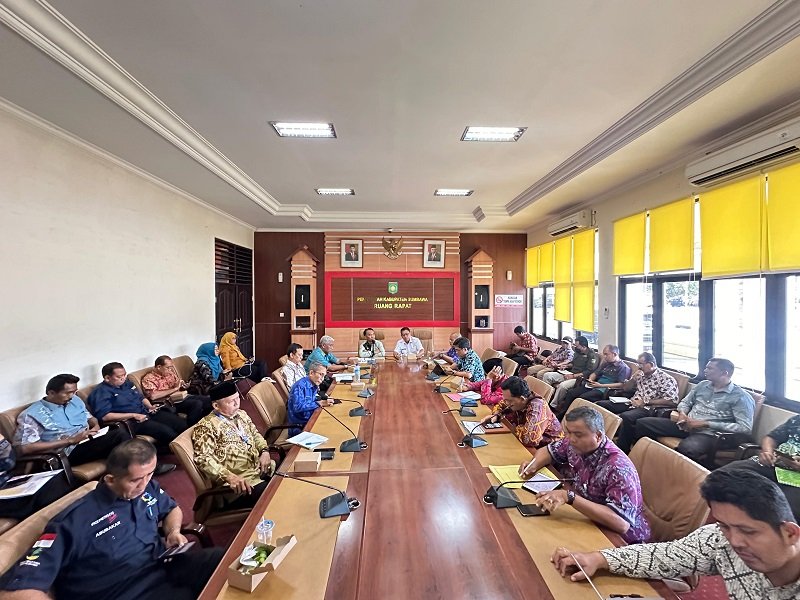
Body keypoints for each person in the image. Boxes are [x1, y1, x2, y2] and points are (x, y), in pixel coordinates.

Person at [0, 439, 225, 600]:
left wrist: (173, 531)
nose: (144, 484)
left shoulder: (146, 487)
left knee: (224, 561)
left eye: (149, 474)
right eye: (135, 480)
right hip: (126, 590)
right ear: (110, 479)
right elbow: (17, 590)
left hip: (163, 564)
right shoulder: (71, 523)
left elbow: (172, 509)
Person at [551, 469, 800, 600]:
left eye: (748, 531)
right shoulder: (721, 539)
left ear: (790, 533)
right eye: (725, 525)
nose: (734, 541)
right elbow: (666, 555)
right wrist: (600, 558)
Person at [519, 406, 650, 544]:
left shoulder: (619, 468)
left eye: (578, 435)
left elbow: (621, 524)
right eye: (568, 432)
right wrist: (533, 464)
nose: (571, 439)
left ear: (598, 436)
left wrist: (569, 497)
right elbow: (548, 451)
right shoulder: (573, 442)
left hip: (619, 539)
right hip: (586, 517)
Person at [632, 358, 754, 465]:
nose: (705, 370)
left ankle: (679, 477)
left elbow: (744, 428)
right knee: (643, 423)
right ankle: (644, 461)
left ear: (724, 373)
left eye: (710, 368)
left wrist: (706, 423)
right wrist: (683, 414)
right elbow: (685, 403)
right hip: (685, 425)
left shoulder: (740, 397)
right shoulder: (703, 385)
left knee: (688, 449)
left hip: (709, 434)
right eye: (706, 367)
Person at [15, 373, 131, 468]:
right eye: (67, 393)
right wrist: (70, 441)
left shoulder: (75, 400)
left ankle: (125, 471)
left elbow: (90, 418)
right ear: (51, 393)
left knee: (122, 435)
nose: (71, 396)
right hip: (67, 452)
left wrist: (96, 426)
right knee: (119, 436)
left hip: (88, 440)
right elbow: (25, 448)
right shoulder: (32, 414)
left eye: (74, 392)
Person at [191, 381, 276, 510]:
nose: (237, 404)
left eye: (238, 398)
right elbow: (203, 459)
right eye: (231, 402)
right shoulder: (206, 426)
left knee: (287, 473)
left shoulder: (241, 414)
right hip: (240, 485)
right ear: (216, 405)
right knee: (274, 495)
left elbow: (255, 434)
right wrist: (229, 477)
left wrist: (264, 451)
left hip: (258, 469)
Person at [88, 362, 184, 474]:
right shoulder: (100, 392)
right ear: (107, 378)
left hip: (146, 412)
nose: (123, 378)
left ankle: (165, 450)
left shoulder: (127, 384)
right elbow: (105, 416)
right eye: (119, 377)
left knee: (179, 423)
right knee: (167, 432)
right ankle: (162, 464)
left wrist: (150, 406)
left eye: (124, 375)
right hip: (131, 422)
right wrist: (133, 415)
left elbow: (141, 397)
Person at [719, 414, 800, 519]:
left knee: (782, 508)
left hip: (796, 478)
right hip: (772, 463)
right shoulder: (797, 419)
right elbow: (771, 437)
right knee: (723, 475)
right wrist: (767, 452)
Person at [608, 353, 680, 452]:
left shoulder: (666, 379)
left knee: (626, 417)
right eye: (638, 364)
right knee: (603, 405)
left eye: (641, 364)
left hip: (647, 407)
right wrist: (633, 379)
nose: (639, 367)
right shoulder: (640, 375)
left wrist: (645, 402)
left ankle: (622, 450)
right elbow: (626, 388)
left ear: (651, 364)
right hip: (631, 402)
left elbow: (672, 401)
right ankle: (604, 440)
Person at [0, 433, 74, 522]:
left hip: (7, 481)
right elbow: (9, 461)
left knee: (57, 481)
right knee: (49, 493)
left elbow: (10, 460)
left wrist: (2, 443)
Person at [480, 376, 562, 447]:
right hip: (522, 443)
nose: (506, 403)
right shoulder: (517, 400)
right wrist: (496, 416)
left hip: (547, 449)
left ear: (522, 399)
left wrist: (516, 428)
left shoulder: (537, 407)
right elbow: (500, 405)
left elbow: (529, 439)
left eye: (509, 401)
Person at [554, 345, 631, 418]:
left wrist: (601, 385)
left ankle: (573, 417)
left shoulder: (623, 368)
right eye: (604, 354)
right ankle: (563, 414)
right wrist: (591, 379)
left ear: (614, 354)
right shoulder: (606, 364)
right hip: (594, 385)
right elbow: (595, 373)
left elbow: (621, 384)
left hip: (604, 390)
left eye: (606, 354)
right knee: (571, 393)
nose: (604, 357)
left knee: (582, 398)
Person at [141, 356, 211, 426]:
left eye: (171, 367)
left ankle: (205, 424)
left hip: (180, 396)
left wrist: (183, 386)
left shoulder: (170, 373)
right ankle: (191, 428)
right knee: (197, 404)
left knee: (208, 400)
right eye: (168, 367)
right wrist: (174, 389)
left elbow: (178, 385)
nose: (170, 370)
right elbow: (153, 396)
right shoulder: (148, 379)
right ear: (159, 367)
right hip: (169, 403)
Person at [543, 336, 598, 406]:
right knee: (547, 375)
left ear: (583, 346)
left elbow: (588, 371)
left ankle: (553, 405)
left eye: (577, 346)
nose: (575, 347)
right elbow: (573, 363)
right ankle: (546, 398)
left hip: (578, 378)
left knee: (562, 386)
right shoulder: (578, 352)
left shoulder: (591, 355)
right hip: (569, 373)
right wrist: (566, 366)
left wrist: (573, 376)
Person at [287, 362, 334, 436]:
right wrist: (320, 403)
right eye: (320, 374)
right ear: (311, 373)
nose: (322, 379)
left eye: (324, 376)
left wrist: (323, 399)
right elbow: (298, 407)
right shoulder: (300, 386)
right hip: (300, 426)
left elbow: (309, 400)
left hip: (310, 418)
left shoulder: (313, 383)